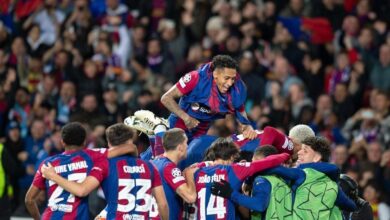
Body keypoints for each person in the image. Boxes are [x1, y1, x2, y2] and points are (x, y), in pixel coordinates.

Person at [40, 123, 169, 220]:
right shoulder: (150, 167)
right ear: (130, 141)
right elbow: (162, 205)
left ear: (108, 142)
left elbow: (81, 190)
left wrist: (53, 176)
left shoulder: (104, 164)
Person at [25, 122, 135, 219]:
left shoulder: (47, 164)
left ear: (63, 142)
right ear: (84, 142)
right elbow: (130, 148)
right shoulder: (92, 155)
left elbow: (29, 200)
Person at [160, 55, 257, 141]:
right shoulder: (195, 78)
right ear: (216, 75)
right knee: (163, 157)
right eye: (226, 78)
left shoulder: (235, 90)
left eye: (232, 79)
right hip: (178, 126)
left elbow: (240, 111)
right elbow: (166, 98)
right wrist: (186, 117)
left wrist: (247, 127)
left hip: (200, 134)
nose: (230, 83)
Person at [192, 137, 290, 219]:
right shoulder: (234, 170)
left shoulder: (197, 172)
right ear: (231, 157)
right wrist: (286, 155)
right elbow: (269, 161)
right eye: (234, 159)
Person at [261, 136, 357, 220]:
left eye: (305, 151)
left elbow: (273, 169)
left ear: (317, 157)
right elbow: (352, 206)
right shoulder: (334, 186)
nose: (299, 152)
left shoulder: (301, 174)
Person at [151, 128, 198, 220]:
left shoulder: (154, 162)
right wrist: (189, 174)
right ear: (180, 147)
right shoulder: (169, 168)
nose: (187, 146)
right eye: (186, 143)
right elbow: (190, 197)